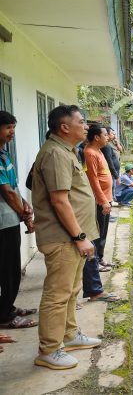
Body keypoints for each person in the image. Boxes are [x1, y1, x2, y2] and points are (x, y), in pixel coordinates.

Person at [31, 105, 102, 370]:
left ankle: (69, 335)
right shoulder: (55, 154)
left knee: (71, 291)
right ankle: (49, 349)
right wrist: (79, 236)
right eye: (81, 122)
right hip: (64, 238)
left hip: (72, 238)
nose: (86, 126)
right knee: (57, 295)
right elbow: (60, 201)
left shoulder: (66, 151)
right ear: (64, 127)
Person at [0, 111, 38, 330]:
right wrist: (24, 215)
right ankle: (5, 316)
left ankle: (7, 307)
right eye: (7, 127)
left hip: (11, 217)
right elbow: (6, 192)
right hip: (4, 222)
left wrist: (25, 205)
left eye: (13, 127)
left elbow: (13, 188)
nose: (12, 132)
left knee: (9, 269)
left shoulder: (4, 154)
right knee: (9, 270)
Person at [83, 124, 121, 281]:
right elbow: (93, 179)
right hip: (101, 200)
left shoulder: (98, 151)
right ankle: (97, 260)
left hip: (107, 198)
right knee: (99, 231)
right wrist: (103, 200)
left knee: (104, 230)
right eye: (105, 135)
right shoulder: (90, 153)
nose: (108, 137)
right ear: (97, 137)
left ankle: (101, 257)